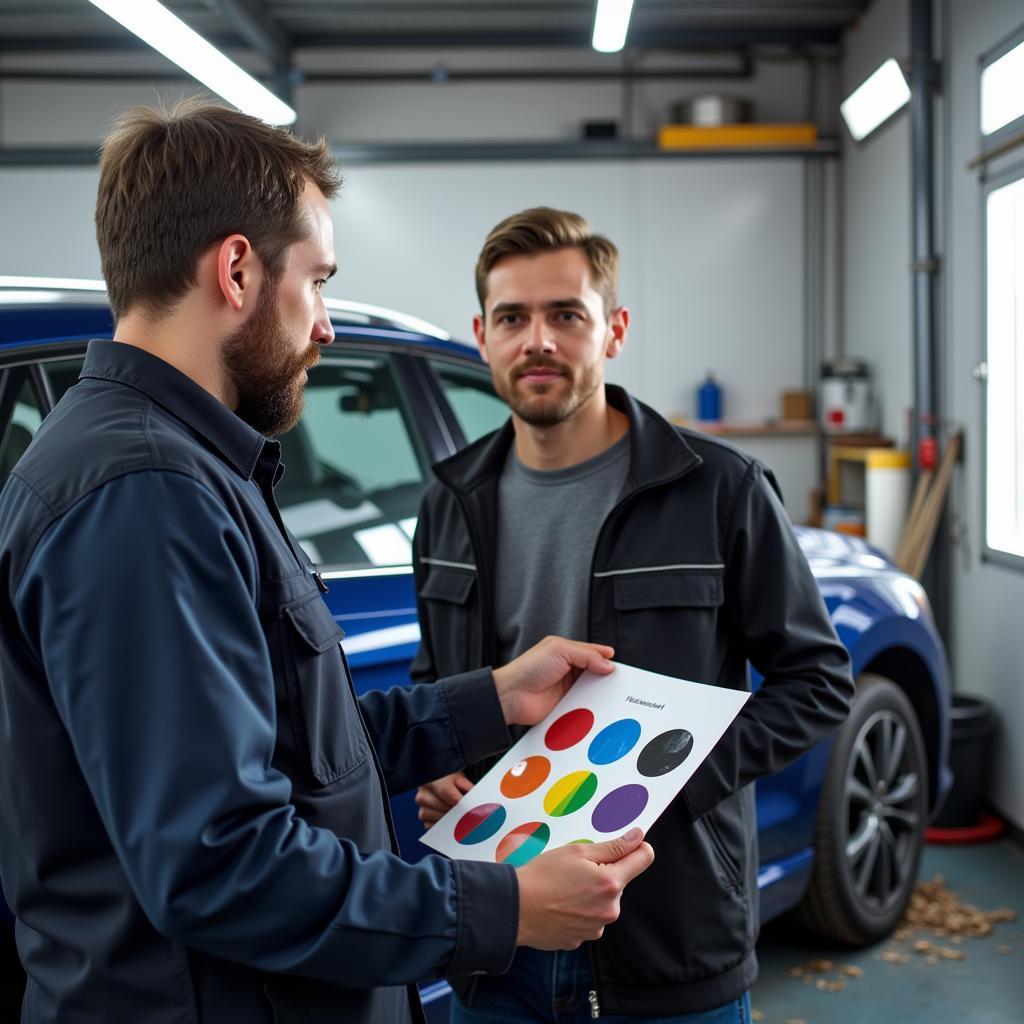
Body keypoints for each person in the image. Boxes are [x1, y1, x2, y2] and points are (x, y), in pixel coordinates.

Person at [0, 105, 656, 1024]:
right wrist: (504, 907)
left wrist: (490, 699)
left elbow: (290, 751)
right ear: (236, 270)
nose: (326, 329)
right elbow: (219, 862)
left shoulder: (180, 469)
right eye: (317, 282)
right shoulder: (144, 496)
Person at [412, 207, 856, 1022]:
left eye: (565, 315)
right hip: (496, 934)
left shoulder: (719, 489)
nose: (536, 340)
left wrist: (666, 782)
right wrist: (435, 766)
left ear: (612, 330)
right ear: (482, 334)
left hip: (669, 935)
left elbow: (818, 684)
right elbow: (433, 674)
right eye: (512, 317)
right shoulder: (450, 498)